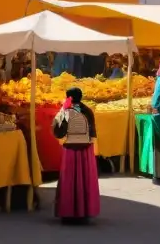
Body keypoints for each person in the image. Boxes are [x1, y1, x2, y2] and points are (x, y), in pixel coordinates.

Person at [51, 87, 99, 223]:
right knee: (84, 180)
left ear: (69, 98)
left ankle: (68, 213)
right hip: (86, 151)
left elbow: (58, 132)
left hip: (71, 150)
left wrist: (62, 110)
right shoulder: (88, 111)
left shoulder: (66, 111)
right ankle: (84, 212)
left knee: (70, 180)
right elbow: (93, 133)